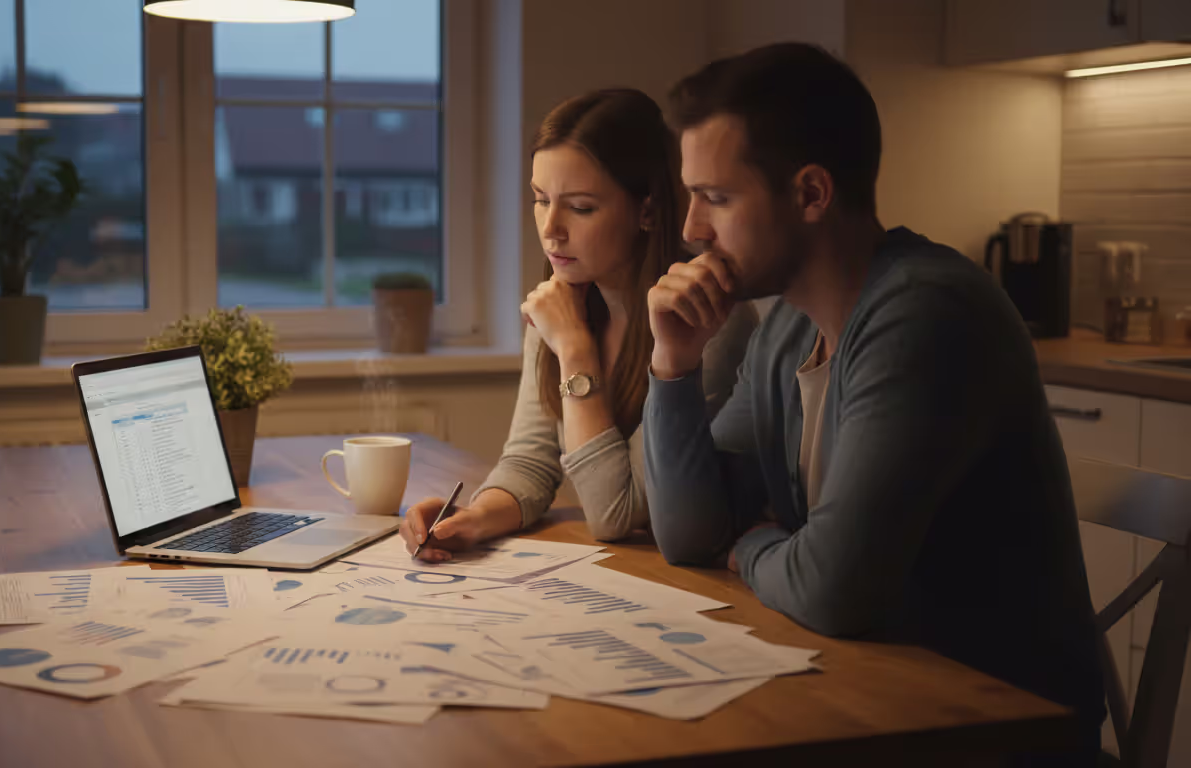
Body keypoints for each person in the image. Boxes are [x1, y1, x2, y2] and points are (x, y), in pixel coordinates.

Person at [642, 44, 1105, 762]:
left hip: (991, 729)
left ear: (811, 194)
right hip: (865, 694)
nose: (692, 229)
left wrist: (753, 545)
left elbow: (832, 589)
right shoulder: (789, 328)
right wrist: (673, 364)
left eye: (718, 198)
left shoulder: (925, 312)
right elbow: (688, 535)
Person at [399, 88, 757, 560]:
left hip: (705, 577)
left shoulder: (704, 319)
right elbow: (529, 462)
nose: (551, 228)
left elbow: (617, 513)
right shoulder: (561, 302)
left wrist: (574, 349)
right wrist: (474, 518)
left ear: (647, 210)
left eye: (581, 207)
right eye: (540, 199)